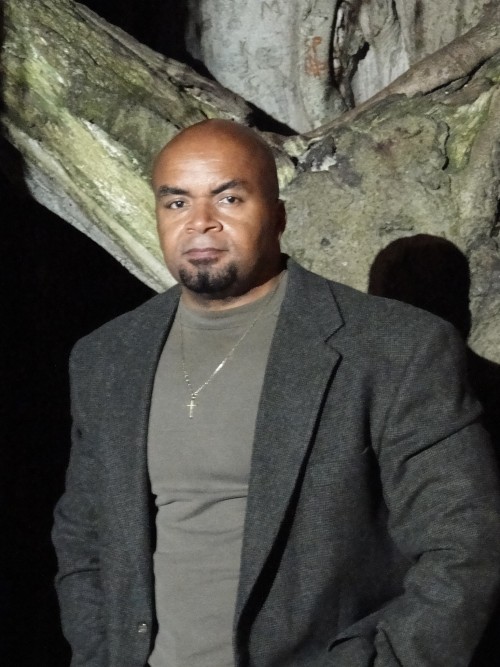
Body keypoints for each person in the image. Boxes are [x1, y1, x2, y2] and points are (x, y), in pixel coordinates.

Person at [52, 119, 500, 667]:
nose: (200, 222)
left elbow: (466, 542)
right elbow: (84, 538)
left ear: (279, 216)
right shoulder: (106, 357)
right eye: (177, 203)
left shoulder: (394, 348)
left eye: (229, 198)